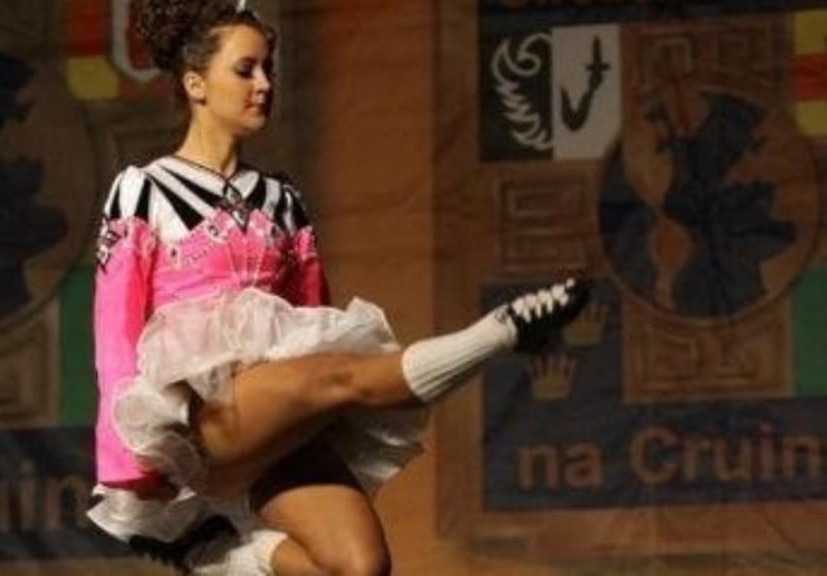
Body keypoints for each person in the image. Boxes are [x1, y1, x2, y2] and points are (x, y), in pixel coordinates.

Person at [86, 1, 590, 574]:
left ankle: (235, 555)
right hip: (205, 418)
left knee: (360, 565)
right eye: (245, 70)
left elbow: (311, 318)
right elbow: (114, 331)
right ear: (196, 82)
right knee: (341, 377)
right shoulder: (144, 190)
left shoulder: (282, 199)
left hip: (288, 406)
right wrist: (127, 465)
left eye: (269, 69)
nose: (264, 85)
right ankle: (497, 334)